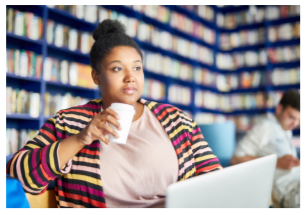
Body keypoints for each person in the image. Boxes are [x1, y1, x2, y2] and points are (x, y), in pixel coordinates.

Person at [6, 19, 222, 208]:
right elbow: (19, 175)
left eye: (137, 68)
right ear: (96, 76)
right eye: (117, 69)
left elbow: (216, 181)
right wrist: (81, 138)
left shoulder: (177, 120)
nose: (130, 77)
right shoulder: (68, 122)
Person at [230, 89, 300, 208]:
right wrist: (277, 162)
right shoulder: (265, 127)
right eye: (291, 117)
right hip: (289, 191)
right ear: (279, 109)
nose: (295, 124)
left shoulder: (285, 130)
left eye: (299, 120)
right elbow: (235, 159)